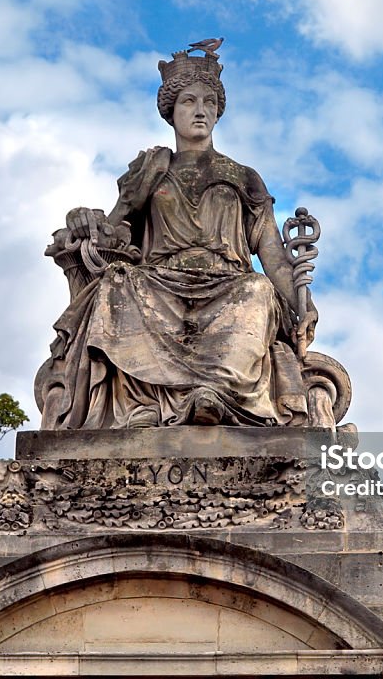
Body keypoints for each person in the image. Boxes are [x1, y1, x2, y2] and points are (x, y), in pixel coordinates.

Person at [36, 48, 317, 429]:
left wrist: (304, 303)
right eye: (189, 101)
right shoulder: (151, 169)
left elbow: (274, 256)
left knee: (258, 290)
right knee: (117, 284)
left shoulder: (242, 176)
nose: (200, 110)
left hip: (227, 284)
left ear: (218, 112)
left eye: (209, 102)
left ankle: (215, 394)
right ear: (171, 112)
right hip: (159, 282)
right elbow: (114, 234)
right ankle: (141, 406)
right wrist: (85, 220)